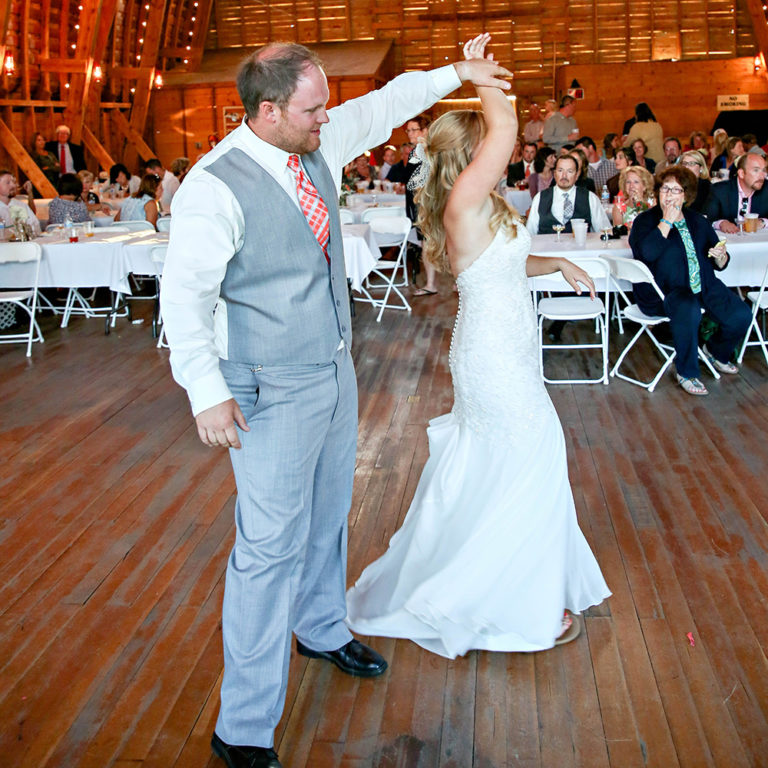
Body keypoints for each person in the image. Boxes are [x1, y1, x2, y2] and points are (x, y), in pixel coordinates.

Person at [159, 37, 513, 768]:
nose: (328, 120)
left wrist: (459, 73)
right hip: (266, 387)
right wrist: (208, 393)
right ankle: (244, 727)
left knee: (327, 517)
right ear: (267, 111)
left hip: (331, 369)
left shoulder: (313, 141)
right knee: (265, 551)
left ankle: (321, 626)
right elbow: (183, 298)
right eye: (314, 109)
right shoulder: (212, 186)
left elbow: (385, 108)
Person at [346, 34, 610, 659]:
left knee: (502, 462)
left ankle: (515, 584)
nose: (509, 150)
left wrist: (556, 266)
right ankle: (516, 601)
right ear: (474, 157)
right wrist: (481, 73)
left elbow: (505, 264)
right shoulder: (465, 202)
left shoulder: (481, 206)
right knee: (533, 451)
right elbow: (507, 122)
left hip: (504, 347)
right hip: (493, 355)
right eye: (493, 148)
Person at [630, 166, 751, 396]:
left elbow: (718, 257)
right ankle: (687, 371)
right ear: (658, 192)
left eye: (676, 190)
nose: (669, 194)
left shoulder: (698, 221)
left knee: (741, 314)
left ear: (686, 195)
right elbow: (646, 254)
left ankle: (716, 352)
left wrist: (721, 257)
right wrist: (666, 221)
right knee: (688, 309)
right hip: (665, 291)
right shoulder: (645, 221)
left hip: (704, 285)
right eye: (665, 188)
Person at [526, 154, 611, 235]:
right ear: (554, 174)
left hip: (580, 249)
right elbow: (530, 233)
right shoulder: (540, 198)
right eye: (560, 170)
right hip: (546, 249)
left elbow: (604, 231)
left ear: (577, 175)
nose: (564, 175)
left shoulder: (590, 198)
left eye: (569, 171)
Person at [702, 151, 768, 232]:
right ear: (741, 173)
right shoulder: (720, 190)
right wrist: (721, 223)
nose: (762, 176)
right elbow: (705, 218)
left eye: (764, 170)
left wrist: (763, 222)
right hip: (728, 242)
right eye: (756, 170)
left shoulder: (766, 189)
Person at [0, 170, 41, 234]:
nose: (13, 185)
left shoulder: (21, 205)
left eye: (13, 182)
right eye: (8, 183)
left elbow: (35, 226)